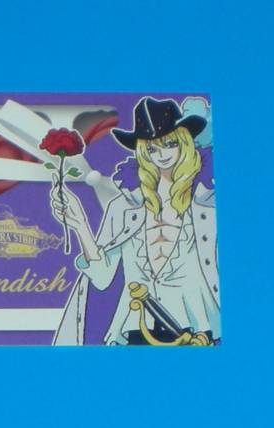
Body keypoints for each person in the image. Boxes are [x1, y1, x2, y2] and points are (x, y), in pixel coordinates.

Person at [51, 97, 220, 345]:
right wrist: (80, 224)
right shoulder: (123, 207)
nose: (162, 155)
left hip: (197, 331)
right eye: (152, 148)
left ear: (184, 142)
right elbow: (102, 277)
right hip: (137, 330)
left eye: (170, 144)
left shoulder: (209, 204)